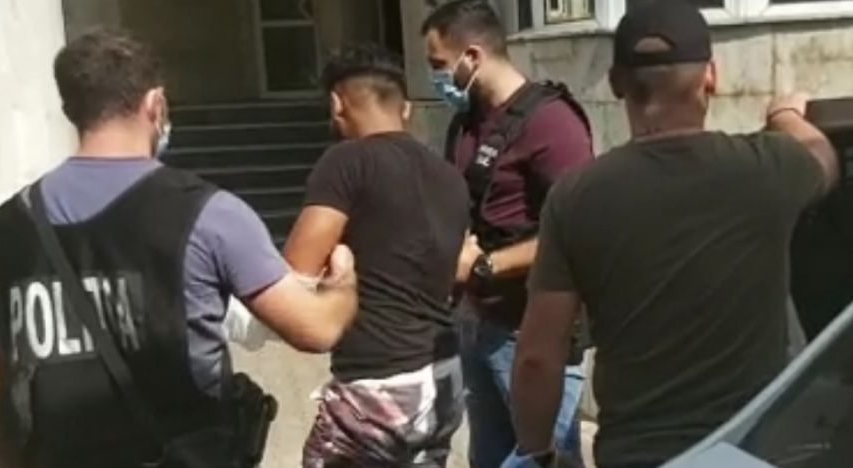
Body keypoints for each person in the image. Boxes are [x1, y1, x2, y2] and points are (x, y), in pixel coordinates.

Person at [0, 30, 358, 468]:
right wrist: (343, 285)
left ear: (71, 110)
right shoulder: (208, 214)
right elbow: (314, 329)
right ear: (155, 104)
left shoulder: (7, 228)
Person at [510, 2, 839, 467]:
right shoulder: (767, 169)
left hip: (637, 456)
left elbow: (537, 357)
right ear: (712, 77)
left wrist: (537, 452)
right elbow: (824, 157)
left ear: (616, 82)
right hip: (744, 452)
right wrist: (785, 113)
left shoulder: (575, 197)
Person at [421, 2, 594, 466]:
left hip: (533, 332)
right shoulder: (468, 121)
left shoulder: (552, 124)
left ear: (472, 56)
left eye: (439, 64)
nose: (435, 77)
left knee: (545, 458)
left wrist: (484, 265)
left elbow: (582, 229)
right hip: (480, 324)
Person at [283, 43, 470, 467]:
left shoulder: (346, 162)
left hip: (375, 386)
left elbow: (296, 274)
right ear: (405, 109)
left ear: (336, 104)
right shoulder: (448, 175)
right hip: (441, 375)